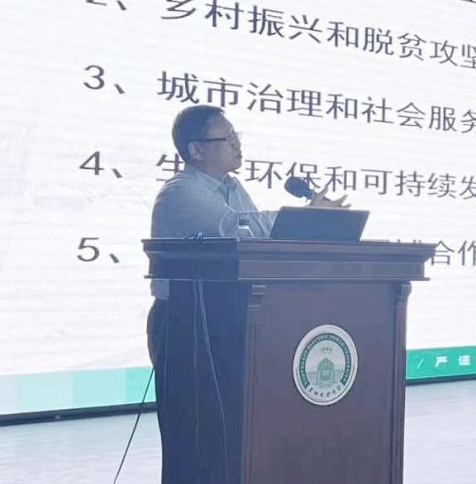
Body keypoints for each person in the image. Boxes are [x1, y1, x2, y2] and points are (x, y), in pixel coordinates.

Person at [146, 105, 345, 481]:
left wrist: (311, 225)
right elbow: (234, 229)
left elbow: (264, 248)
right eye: (228, 138)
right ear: (196, 150)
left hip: (231, 322)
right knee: (194, 434)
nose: (237, 144)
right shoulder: (180, 192)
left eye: (236, 136)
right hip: (188, 327)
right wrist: (303, 217)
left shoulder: (233, 188)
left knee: (235, 431)